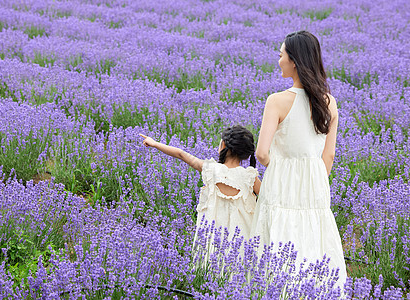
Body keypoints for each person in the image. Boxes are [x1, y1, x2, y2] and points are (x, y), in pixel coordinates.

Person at [250, 30, 347, 288]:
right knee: (314, 235)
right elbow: (329, 155)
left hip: (281, 180)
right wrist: (312, 176)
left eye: (281, 55)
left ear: (293, 61)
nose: (278, 60)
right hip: (316, 180)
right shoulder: (329, 102)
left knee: (280, 235)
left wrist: (282, 170)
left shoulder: (277, 101)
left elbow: (261, 153)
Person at [139, 125, 262, 241]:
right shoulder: (249, 177)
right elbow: (268, 199)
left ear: (223, 145)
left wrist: (155, 144)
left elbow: (181, 154)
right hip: (242, 235)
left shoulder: (211, 169)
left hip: (212, 234)